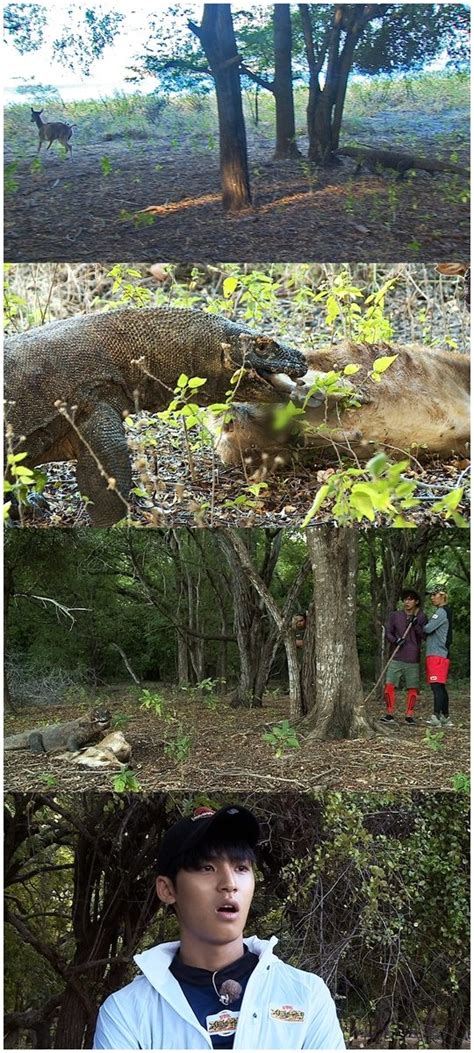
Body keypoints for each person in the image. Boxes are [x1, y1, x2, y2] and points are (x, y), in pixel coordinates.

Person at [93, 804, 345, 1050]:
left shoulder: (306, 995)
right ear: (167, 889)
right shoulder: (125, 1013)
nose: (230, 883)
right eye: (207, 868)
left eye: (241, 868)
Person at [382, 588, 427, 725]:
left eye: (410, 599)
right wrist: (396, 640)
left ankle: (409, 716)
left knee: (412, 687)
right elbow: (389, 632)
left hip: (412, 657)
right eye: (405, 599)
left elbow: (424, 636)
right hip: (396, 656)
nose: (407, 602)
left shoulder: (421, 616)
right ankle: (389, 714)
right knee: (389, 685)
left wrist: (416, 625)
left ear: (416, 601)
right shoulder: (395, 615)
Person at [424, 586, 453, 728]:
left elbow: (428, 628)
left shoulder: (441, 612)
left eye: (434, 595)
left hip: (437, 653)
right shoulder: (446, 611)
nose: (432, 597)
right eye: (431, 595)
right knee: (440, 686)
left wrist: (422, 624)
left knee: (436, 686)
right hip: (441, 654)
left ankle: (435, 717)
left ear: (442, 595)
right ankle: (445, 717)